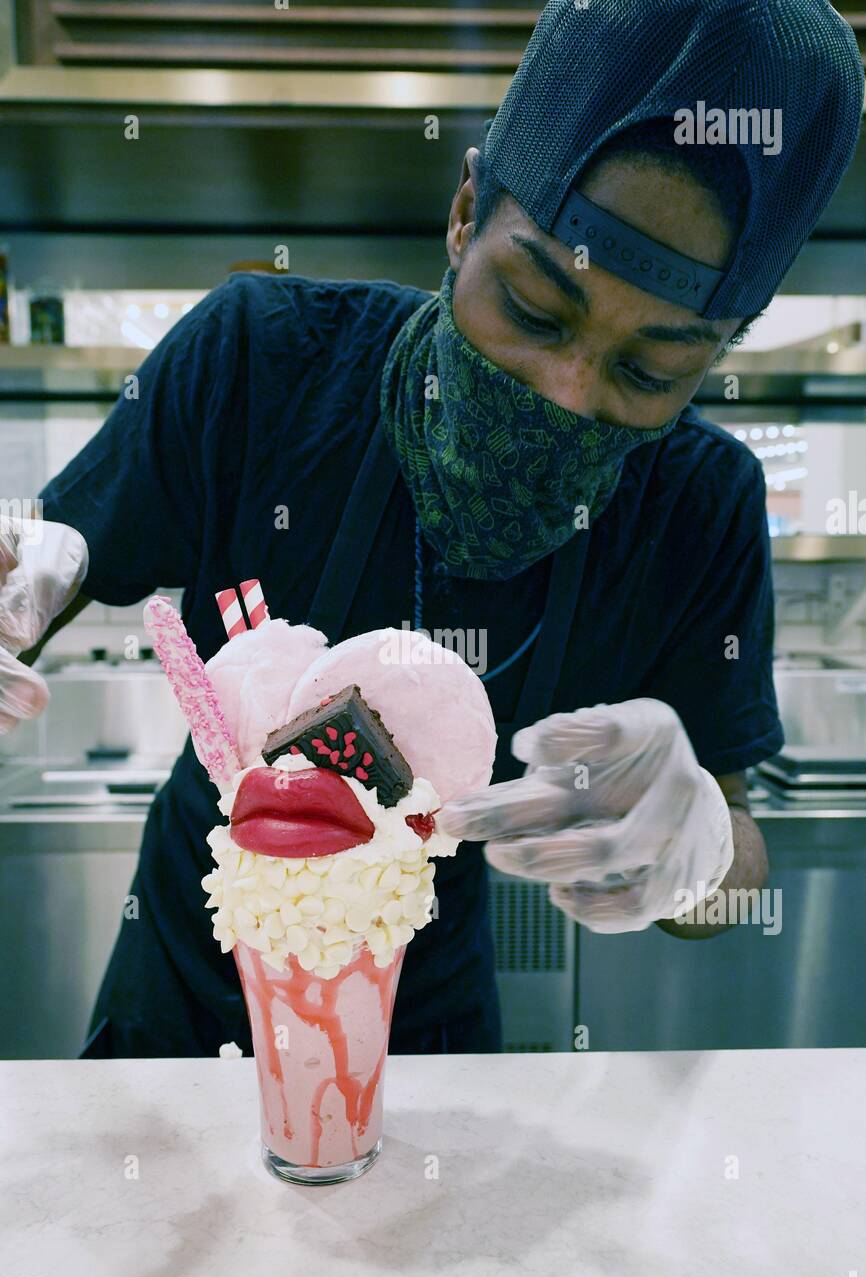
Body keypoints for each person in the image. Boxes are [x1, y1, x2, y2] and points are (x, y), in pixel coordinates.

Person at [0, 0, 862, 1056]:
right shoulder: (261, 361)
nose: (562, 388)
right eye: (534, 310)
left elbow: (728, 879)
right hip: (179, 1000)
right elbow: (39, 576)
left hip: (424, 1030)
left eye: (649, 370)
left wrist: (690, 856)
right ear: (464, 217)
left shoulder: (697, 505)